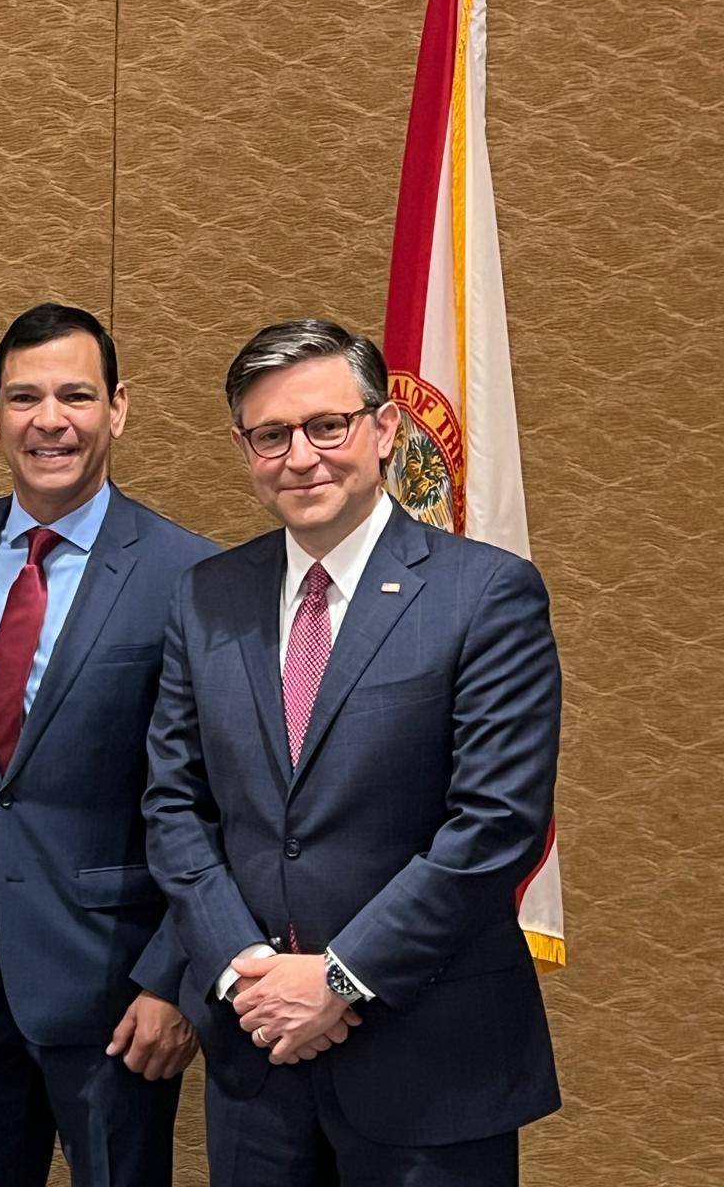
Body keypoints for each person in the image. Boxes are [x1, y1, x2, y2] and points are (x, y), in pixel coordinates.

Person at [143, 319, 561, 1185]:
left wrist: (339, 979)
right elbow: (174, 807)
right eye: (272, 435)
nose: (302, 456)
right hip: (257, 1060)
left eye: (326, 425)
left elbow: (494, 825)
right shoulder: (205, 598)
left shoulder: (485, 594)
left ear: (383, 430)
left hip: (430, 1065)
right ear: (244, 448)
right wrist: (245, 971)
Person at [0, 303, 218, 1187]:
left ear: (118, 408)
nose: (51, 420)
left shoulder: (187, 574)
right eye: (25, 397)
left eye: (76, 396)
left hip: (116, 994)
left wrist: (173, 979)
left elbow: (210, 798)